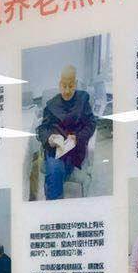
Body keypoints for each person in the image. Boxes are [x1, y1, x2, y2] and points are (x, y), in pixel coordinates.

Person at [35, 65, 98, 200]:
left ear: (75, 83)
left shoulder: (83, 100)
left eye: (71, 86)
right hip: (54, 148)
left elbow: (91, 124)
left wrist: (77, 138)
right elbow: (42, 129)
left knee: (54, 173)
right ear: (60, 84)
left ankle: (54, 204)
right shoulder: (51, 104)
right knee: (55, 168)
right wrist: (50, 138)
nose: (67, 90)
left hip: (73, 149)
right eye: (64, 86)